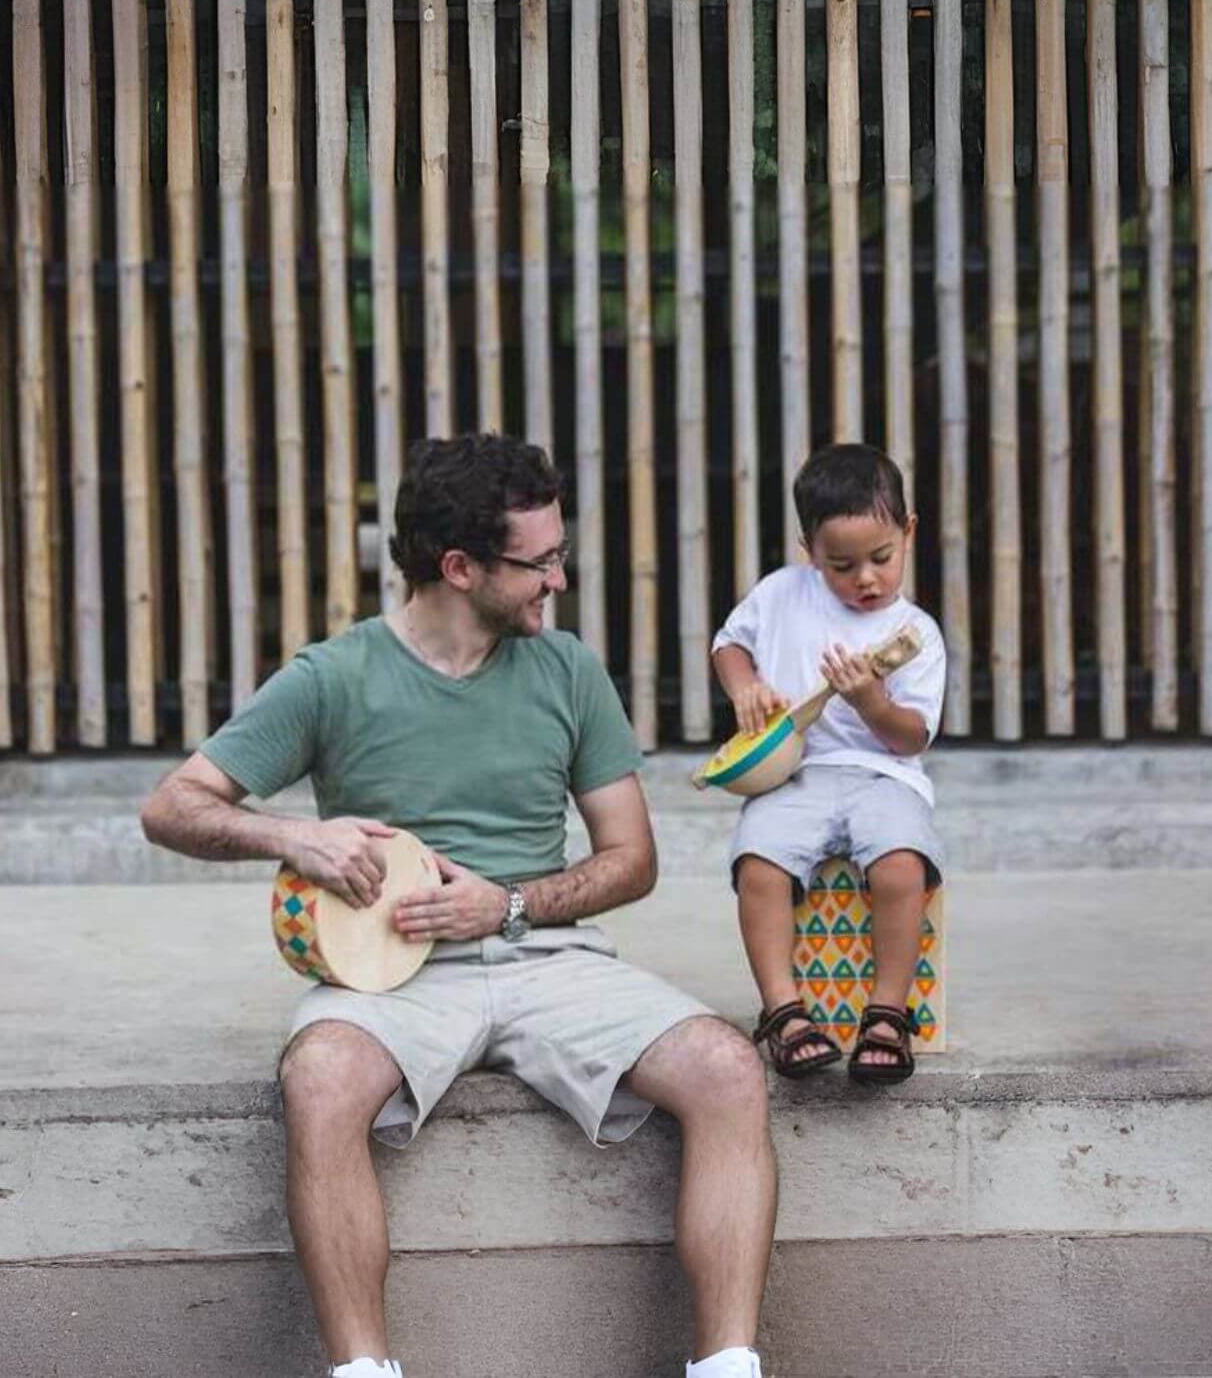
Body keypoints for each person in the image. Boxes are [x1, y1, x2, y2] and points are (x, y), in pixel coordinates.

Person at [141, 433, 774, 1378]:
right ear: (459, 566)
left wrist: (508, 905)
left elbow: (631, 859)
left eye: (561, 554)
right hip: (386, 973)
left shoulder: (567, 671)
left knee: (728, 1067)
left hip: (545, 955)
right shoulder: (333, 676)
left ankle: (727, 1369)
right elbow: (171, 808)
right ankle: (363, 1374)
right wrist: (295, 836)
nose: (558, 580)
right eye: (540, 561)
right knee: (318, 1080)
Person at [711, 443, 946, 1085]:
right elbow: (730, 646)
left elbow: (911, 738)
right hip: (796, 771)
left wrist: (872, 701)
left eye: (882, 558)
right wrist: (744, 689)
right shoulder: (783, 595)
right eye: (841, 565)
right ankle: (784, 1013)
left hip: (882, 774)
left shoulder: (915, 634)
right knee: (758, 864)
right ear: (808, 550)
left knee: (900, 866)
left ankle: (887, 1015)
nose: (866, 579)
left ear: (908, 531)